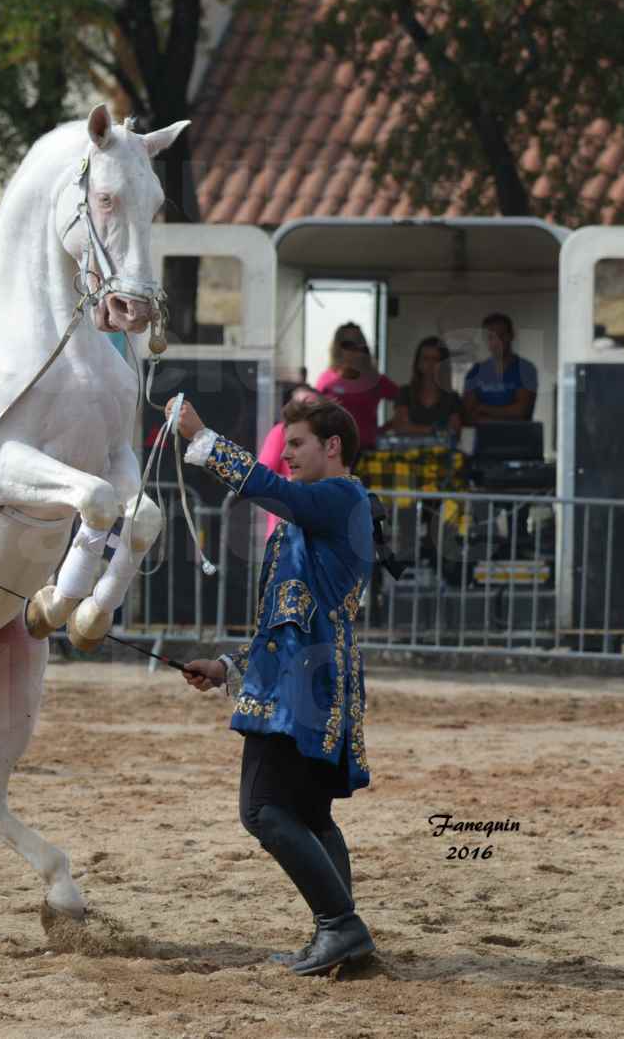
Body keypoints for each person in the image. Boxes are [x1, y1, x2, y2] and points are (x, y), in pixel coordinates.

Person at [171, 394, 376, 977]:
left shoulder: (339, 496)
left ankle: (340, 925)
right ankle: (339, 933)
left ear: (332, 447)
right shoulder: (308, 521)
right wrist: (227, 667)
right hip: (309, 678)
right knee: (310, 816)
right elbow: (281, 622)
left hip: (298, 687)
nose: (286, 457)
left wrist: (204, 439)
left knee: (262, 809)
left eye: (298, 445)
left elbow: (275, 491)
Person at [314, 323, 399, 454]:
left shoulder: (374, 379)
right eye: (347, 345)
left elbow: (404, 398)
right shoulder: (327, 379)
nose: (352, 350)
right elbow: (313, 415)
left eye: (357, 343)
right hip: (335, 452)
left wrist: (385, 428)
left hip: (367, 451)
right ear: (338, 348)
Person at [258, 383, 320, 538]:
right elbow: (262, 474)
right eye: (303, 405)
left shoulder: (325, 434)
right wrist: (292, 484)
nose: (308, 411)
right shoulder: (280, 432)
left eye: (313, 405)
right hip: (286, 525)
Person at [461, 312, 537, 424]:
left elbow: (521, 411)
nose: (497, 342)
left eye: (502, 335)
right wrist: (505, 415)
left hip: (517, 438)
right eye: (491, 337)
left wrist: (483, 408)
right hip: (484, 439)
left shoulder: (525, 369)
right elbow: (468, 415)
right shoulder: (475, 371)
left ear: (511, 336)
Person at [390, 336, 463, 436]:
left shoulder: (452, 397)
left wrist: (414, 428)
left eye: (436, 359)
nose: (430, 364)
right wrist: (436, 430)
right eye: (426, 359)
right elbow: (400, 427)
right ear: (418, 363)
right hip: (408, 451)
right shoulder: (405, 392)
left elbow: (454, 431)